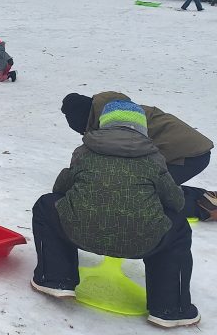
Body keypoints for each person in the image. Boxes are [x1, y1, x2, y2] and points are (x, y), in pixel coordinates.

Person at [31, 99, 198, 328]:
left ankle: (54, 278)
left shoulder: (85, 151)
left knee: (46, 205)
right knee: (177, 226)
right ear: (142, 128)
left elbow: (60, 189)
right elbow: (176, 202)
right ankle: (170, 309)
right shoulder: (154, 158)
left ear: (104, 124)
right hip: (142, 241)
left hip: (79, 231)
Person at [62, 91, 217, 221]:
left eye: (84, 130)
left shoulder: (117, 125)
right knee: (140, 184)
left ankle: (203, 208)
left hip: (187, 156)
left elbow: (118, 162)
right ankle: (206, 197)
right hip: (187, 150)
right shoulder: (117, 110)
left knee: (135, 197)